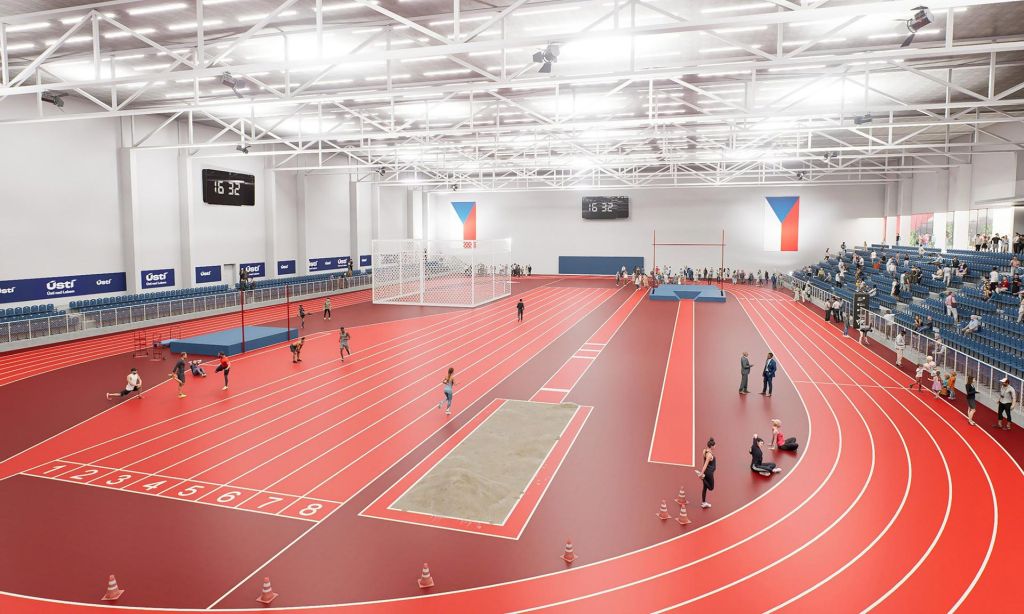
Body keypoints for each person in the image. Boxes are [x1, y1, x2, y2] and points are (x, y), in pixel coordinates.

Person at [694, 438, 716, 509]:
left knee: (705, 488)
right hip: (709, 473)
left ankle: (703, 503)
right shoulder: (709, 455)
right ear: (711, 446)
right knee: (711, 488)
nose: (715, 446)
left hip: (706, 472)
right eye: (714, 445)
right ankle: (702, 478)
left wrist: (703, 472)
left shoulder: (704, 451)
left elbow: (704, 462)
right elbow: (706, 464)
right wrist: (701, 474)